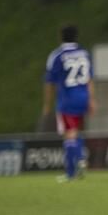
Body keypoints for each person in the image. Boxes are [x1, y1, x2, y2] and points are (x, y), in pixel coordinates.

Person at [42, 24, 95, 182]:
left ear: (61, 36)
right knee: (76, 130)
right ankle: (79, 162)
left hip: (67, 98)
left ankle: (72, 170)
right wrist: (92, 99)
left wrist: (46, 105)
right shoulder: (84, 53)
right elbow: (90, 79)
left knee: (69, 133)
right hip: (83, 96)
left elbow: (49, 82)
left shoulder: (57, 55)